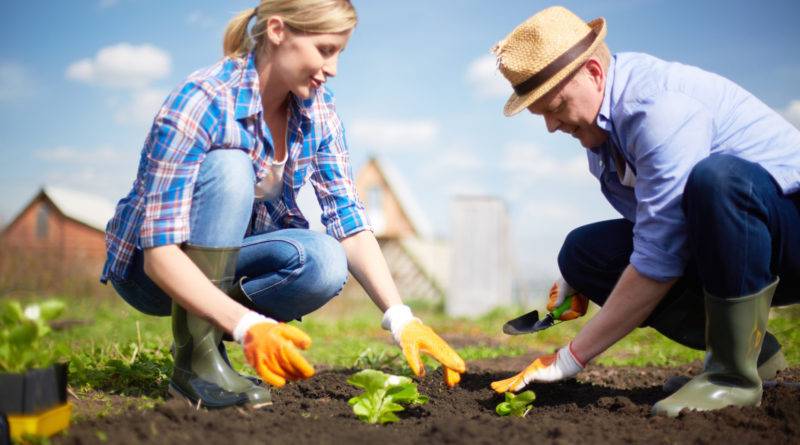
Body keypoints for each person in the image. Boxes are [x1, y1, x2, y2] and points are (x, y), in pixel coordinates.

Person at [101, 0, 465, 409]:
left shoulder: (317, 112)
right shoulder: (201, 102)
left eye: (339, 53)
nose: (333, 69)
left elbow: (350, 225)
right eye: (325, 50)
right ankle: (196, 365)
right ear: (278, 32)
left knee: (325, 261)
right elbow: (159, 257)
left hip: (229, 262)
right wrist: (247, 324)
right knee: (230, 167)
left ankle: (210, 332)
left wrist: (401, 318)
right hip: (152, 274)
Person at [488, 6, 800, 417]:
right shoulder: (600, 139)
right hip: (734, 244)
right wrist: (576, 278)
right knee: (584, 252)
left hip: (787, 230)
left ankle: (731, 376)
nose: (551, 125)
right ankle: (754, 355)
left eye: (555, 106)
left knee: (719, 179)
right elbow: (653, 227)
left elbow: (660, 256)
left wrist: (569, 358)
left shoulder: (656, 109)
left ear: (594, 74)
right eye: (541, 114)